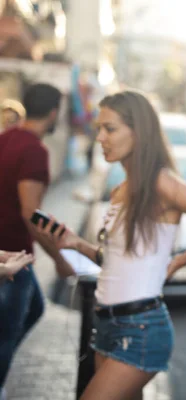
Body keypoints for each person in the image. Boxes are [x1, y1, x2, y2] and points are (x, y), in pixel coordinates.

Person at [36, 90, 186, 399]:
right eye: (99, 128)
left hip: (139, 331)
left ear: (138, 131)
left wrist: (181, 260)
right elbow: (117, 262)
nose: (100, 138)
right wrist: (73, 243)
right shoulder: (120, 191)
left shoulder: (163, 183)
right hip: (107, 327)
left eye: (110, 129)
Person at [0, 83, 73, 397]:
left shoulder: (6, 138)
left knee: (35, 310)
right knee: (6, 334)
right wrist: (60, 258)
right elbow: (32, 213)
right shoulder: (34, 150)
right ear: (54, 112)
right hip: (14, 258)